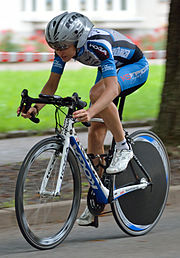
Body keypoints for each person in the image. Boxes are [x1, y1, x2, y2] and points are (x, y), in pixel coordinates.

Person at [18, 11, 149, 227]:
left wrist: (90, 111)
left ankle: (123, 146)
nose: (58, 52)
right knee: (95, 133)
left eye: (62, 47)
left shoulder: (98, 45)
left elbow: (111, 90)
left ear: (78, 39)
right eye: (55, 47)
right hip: (110, 68)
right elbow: (51, 86)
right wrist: (36, 107)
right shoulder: (63, 51)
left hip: (134, 67)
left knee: (96, 95)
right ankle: (96, 202)